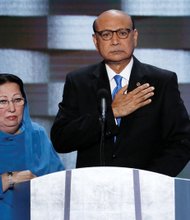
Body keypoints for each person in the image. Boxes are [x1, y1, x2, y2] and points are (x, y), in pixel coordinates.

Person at [51, 9, 190, 177]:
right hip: (93, 189)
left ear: (135, 36)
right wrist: (112, 113)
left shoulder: (161, 81)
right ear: (96, 41)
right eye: (107, 34)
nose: (115, 41)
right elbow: (61, 139)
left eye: (123, 33)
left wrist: (150, 180)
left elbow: (182, 141)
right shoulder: (79, 81)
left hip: (147, 191)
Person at [0, 73, 64, 218]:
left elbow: (59, 184)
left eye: (17, 100)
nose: (12, 108)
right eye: (2, 102)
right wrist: (8, 179)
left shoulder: (37, 135)